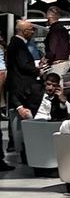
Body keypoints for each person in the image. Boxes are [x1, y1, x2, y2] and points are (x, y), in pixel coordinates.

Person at [6, 17, 42, 162]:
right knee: (25, 120)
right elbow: (23, 65)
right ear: (23, 31)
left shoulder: (15, 44)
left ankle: (19, 147)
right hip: (23, 88)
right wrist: (37, 70)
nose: (33, 32)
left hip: (20, 86)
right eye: (30, 30)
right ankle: (25, 151)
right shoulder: (18, 45)